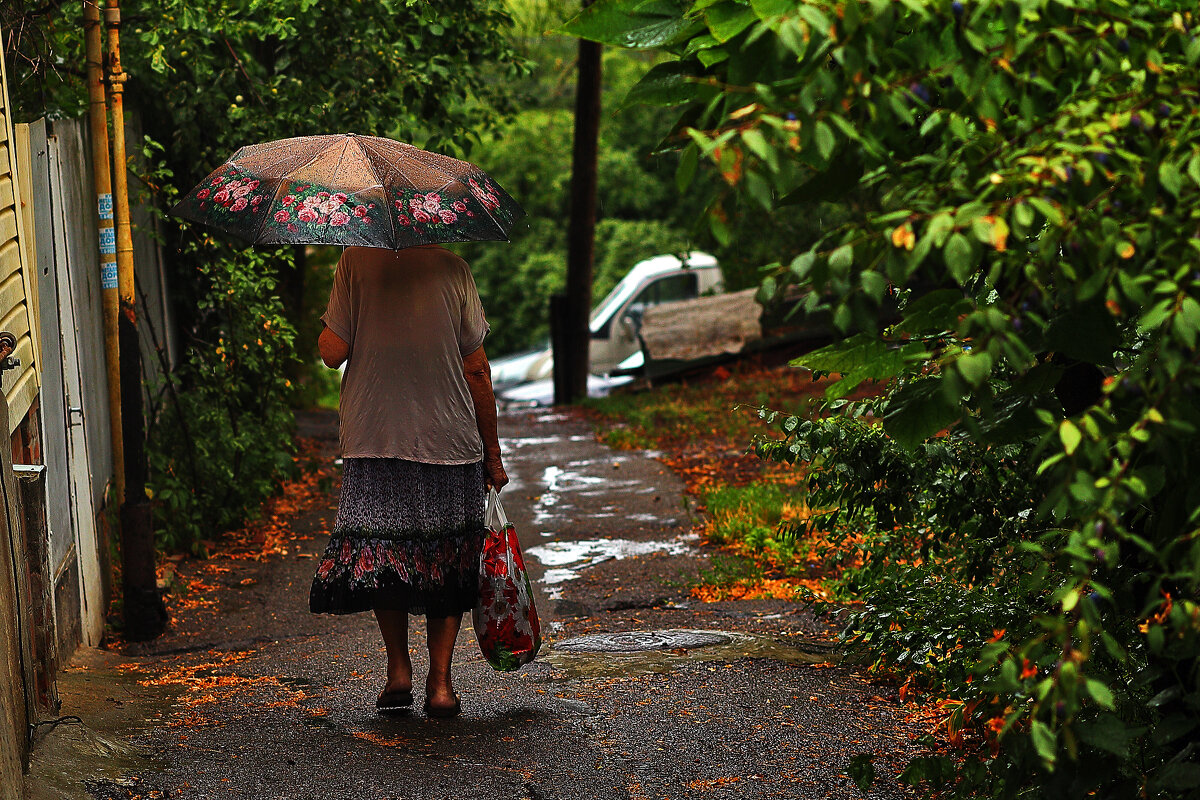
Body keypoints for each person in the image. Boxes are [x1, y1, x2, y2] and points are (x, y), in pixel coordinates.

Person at [308, 243, 508, 719]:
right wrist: (493, 454)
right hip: (448, 438)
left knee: (384, 554)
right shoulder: (454, 269)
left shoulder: (354, 261)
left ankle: (399, 671)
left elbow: (332, 353)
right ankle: (440, 685)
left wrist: (333, 321)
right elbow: (477, 369)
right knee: (448, 557)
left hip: (376, 435)